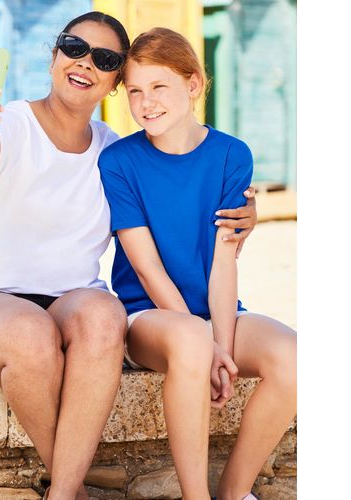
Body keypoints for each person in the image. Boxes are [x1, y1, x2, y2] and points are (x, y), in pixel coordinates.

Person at [0, 11, 258, 500]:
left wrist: (246, 213)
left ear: (114, 83)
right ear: (54, 56)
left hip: (69, 304)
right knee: (30, 334)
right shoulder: (14, 123)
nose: (85, 62)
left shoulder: (112, 152)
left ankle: (62, 493)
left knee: (106, 315)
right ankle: (73, 492)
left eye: (104, 59)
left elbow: (174, 204)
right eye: (73, 47)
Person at [98, 27, 296, 500]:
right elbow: (146, 268)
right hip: (148, 317)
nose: (146, 103)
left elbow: (224, 262)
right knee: (188, 337)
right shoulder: (119, 161)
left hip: (217, 311)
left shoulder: (231, 154)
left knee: (295, 359)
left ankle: (234, 492)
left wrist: (220, 347)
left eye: (159, 86)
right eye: (135, 91)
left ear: (192, 84)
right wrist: (205, 345)